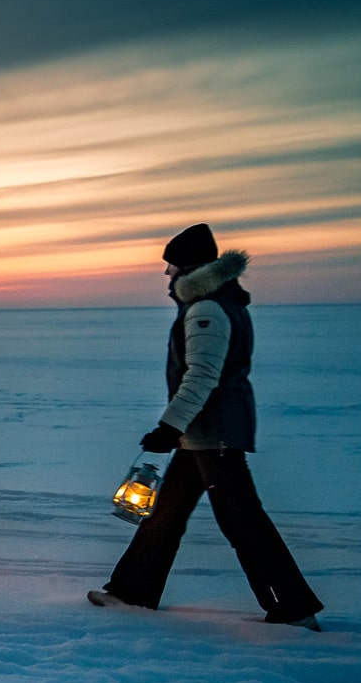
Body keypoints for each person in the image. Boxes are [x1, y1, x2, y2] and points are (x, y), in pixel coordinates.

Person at [90, 226, 324, 628]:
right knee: (166, 512)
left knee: (242, 519)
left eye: (171, 265)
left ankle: (292, 607)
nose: (167, 274)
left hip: (212, 433)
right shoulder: (218, 305)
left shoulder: (206, 310)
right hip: (201, 434)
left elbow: (201, 377)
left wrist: (168, 427)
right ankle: (132, 591)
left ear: (189, 267)